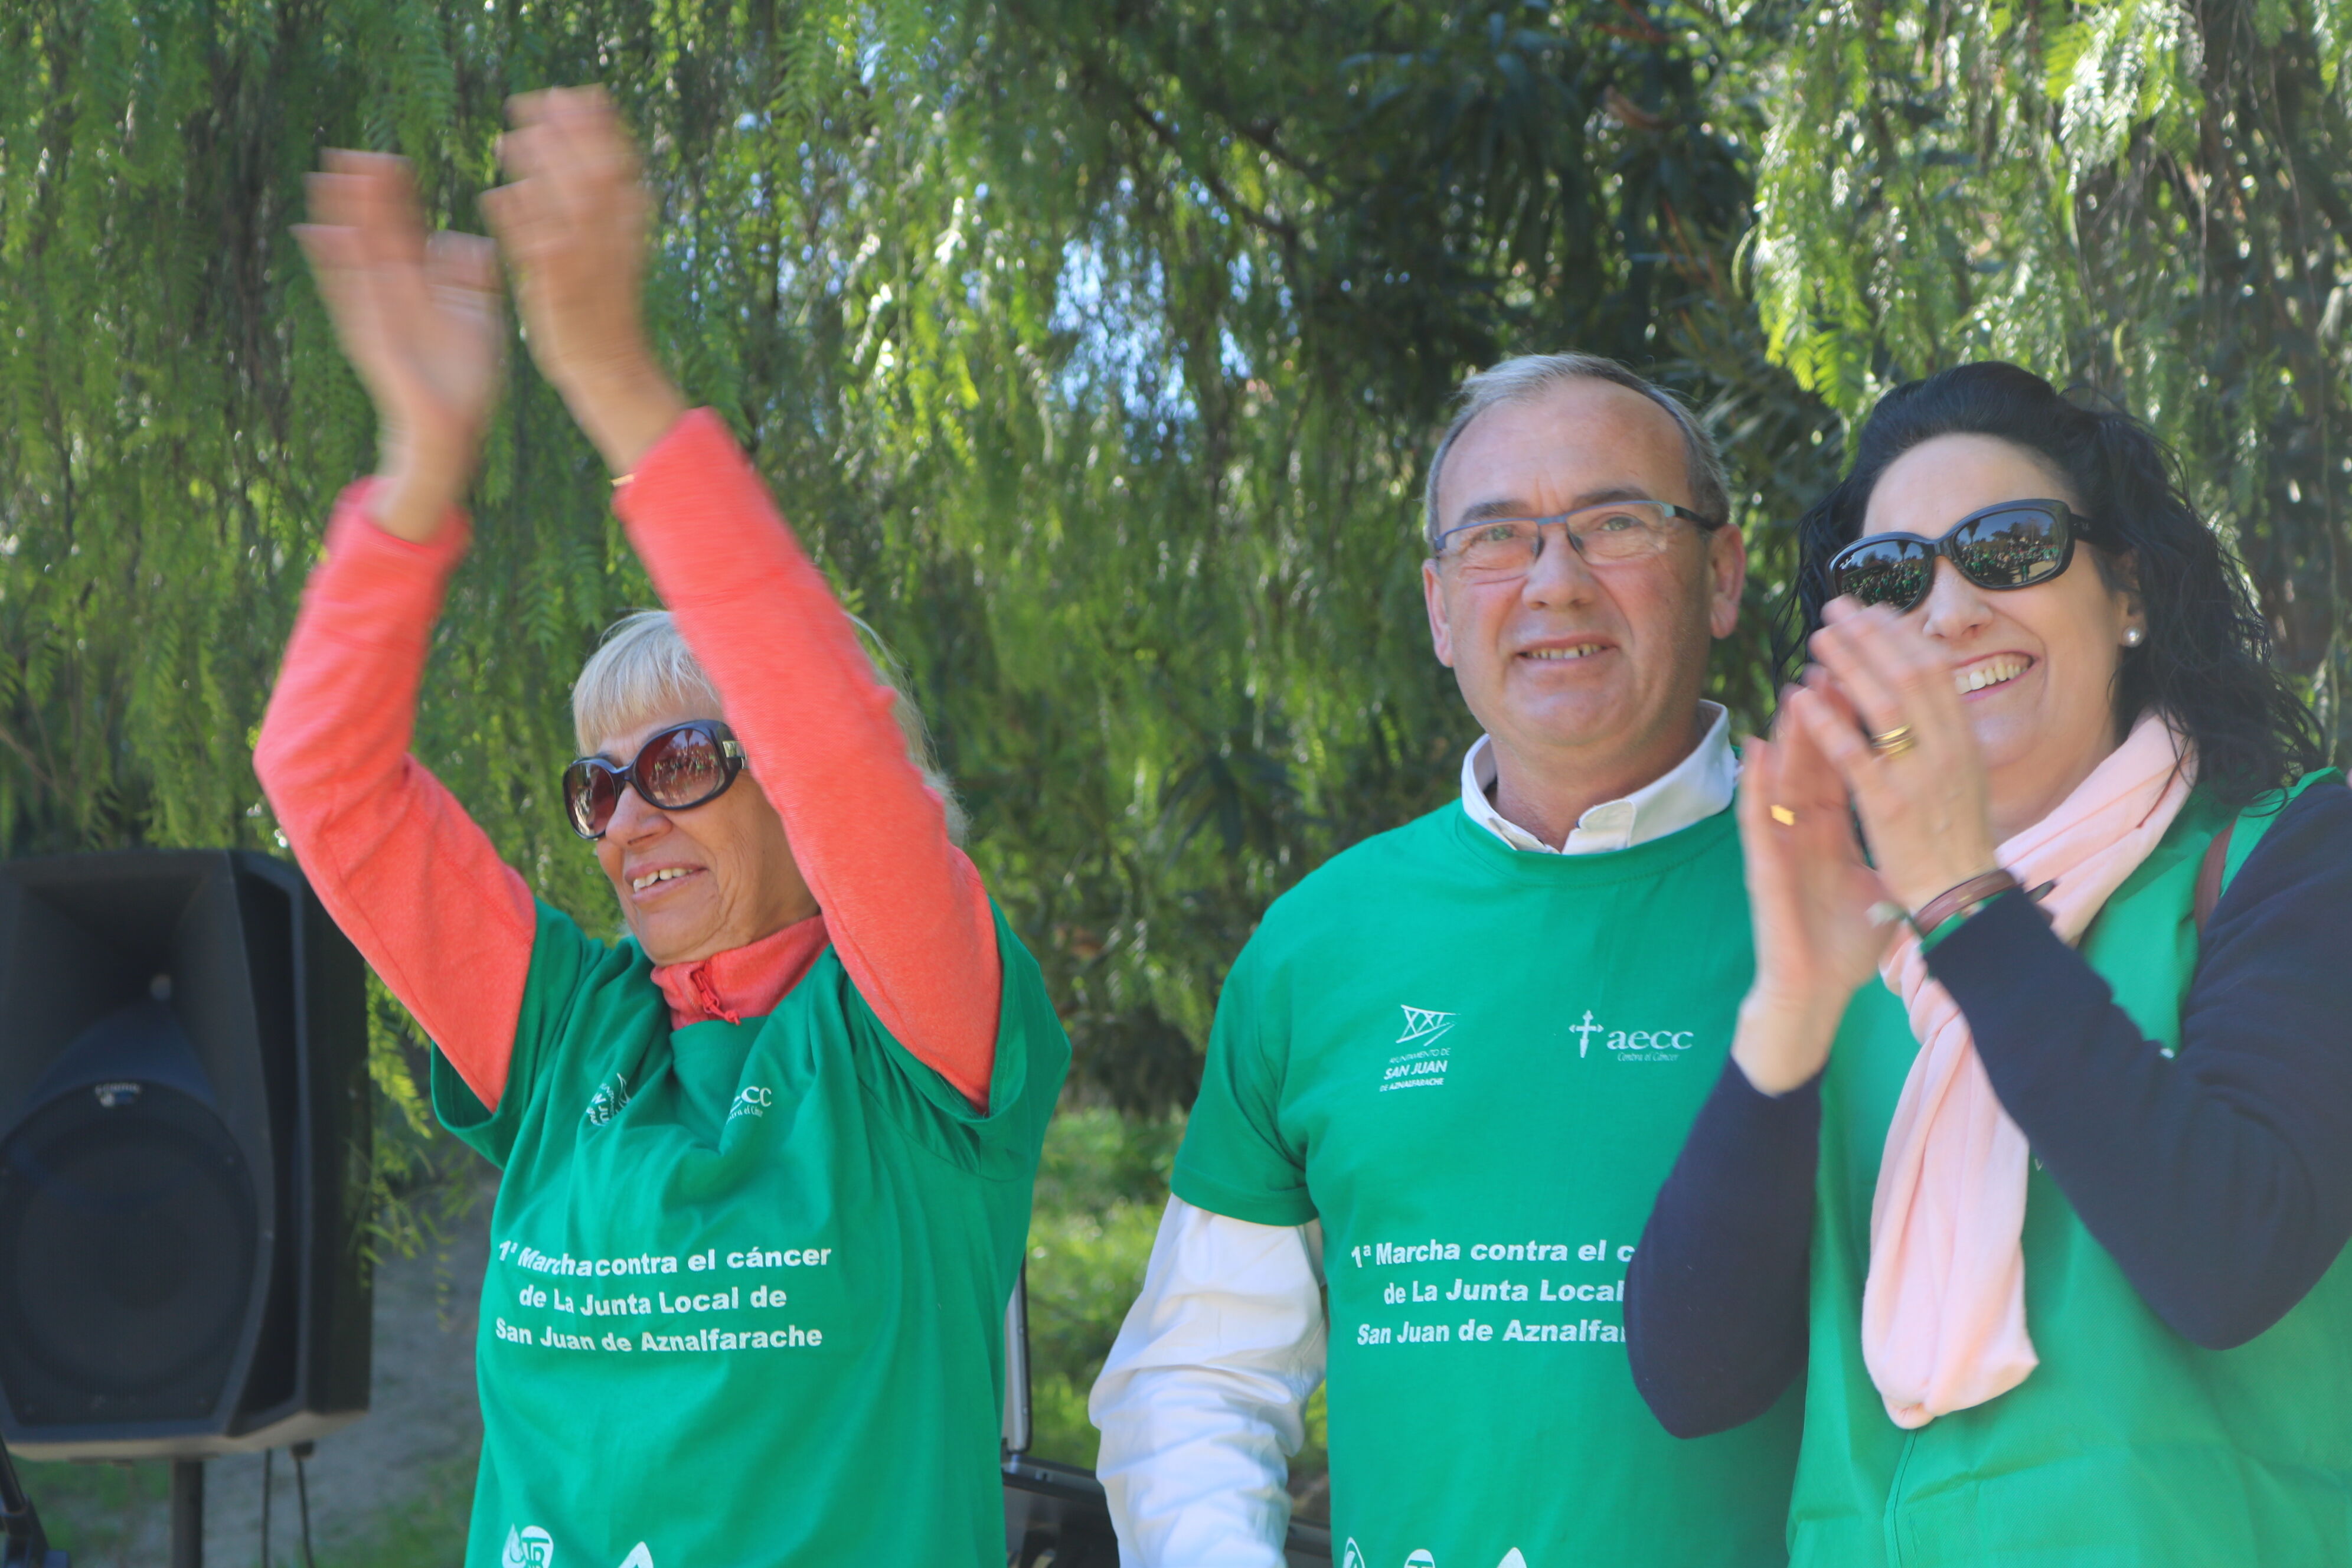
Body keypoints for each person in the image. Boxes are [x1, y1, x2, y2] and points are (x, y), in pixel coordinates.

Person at [256, 89, 1067, 1567]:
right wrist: (419, 467)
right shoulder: (572, 1031)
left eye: (687, 756)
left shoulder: (918, 1040)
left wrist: (618, 387)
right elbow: (326, 785)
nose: (630, 814)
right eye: (599, 782)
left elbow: (840, 757)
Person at [1625, 361, 2352, 1566]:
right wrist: (1794, 1005)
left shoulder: (2293, 854)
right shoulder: (1857, 952)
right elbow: (1693, 1381)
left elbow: (2230, 1257)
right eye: (1890, 577)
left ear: (2128, 591)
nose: (1951, 609)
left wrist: (1970, 898)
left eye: (2009, 546)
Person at [1090, 354, 1801, 1567]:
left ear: (1721, 573)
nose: (1553, 583)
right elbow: (1199, 1375)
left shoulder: (1862, 892)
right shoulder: (1321, 943)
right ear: (1436, 605)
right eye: (1497, 538)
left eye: (1615, 523)